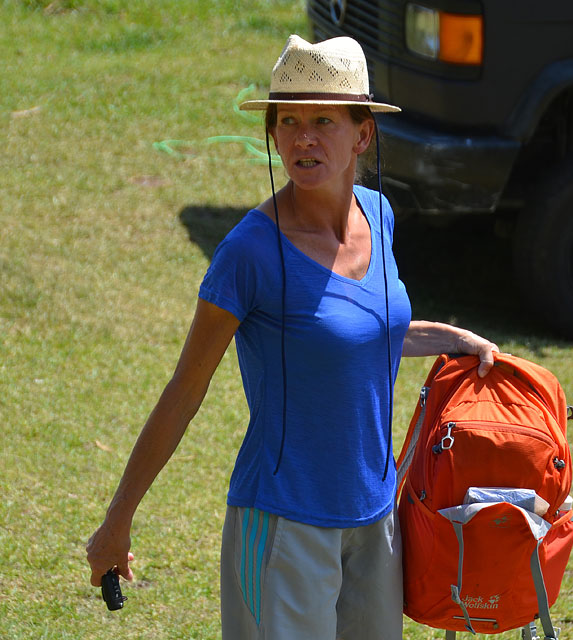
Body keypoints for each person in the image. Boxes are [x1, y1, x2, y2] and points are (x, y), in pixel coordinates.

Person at [86, 34, 499, 640]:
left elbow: (358, 332)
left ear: (363, 135)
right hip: (283, 523)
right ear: (273, 135)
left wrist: (452, 338)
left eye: (324, 121)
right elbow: (185, 388)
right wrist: (117, 519)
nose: (304, 138)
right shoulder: (248, 253)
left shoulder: (377, 215)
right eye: (290, 122)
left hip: (376, 518)